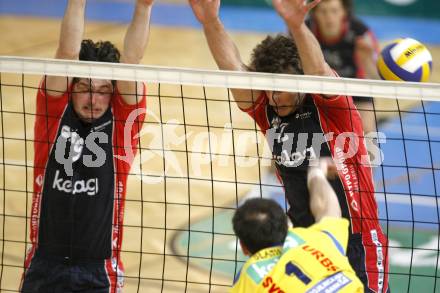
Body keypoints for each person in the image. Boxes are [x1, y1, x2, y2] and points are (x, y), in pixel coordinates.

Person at [189, 0, 389, 291]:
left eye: (281, 89)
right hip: (305, 240)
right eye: (269, 88)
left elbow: (319, 71)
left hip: (358, 237)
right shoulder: (266, 109)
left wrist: (296, 25)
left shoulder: (333, 108)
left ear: (300, 82)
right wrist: (210, 22)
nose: (273, 97)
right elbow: (232, 68)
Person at [21, 0, 153, 292]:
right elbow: (67, 53)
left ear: (113, 92)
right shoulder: (52, 114)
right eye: (84, 88)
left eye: (104, 90)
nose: (93, 99)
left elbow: (131, 63)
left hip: (99, 270)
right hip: (44, 263)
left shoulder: (122, 127)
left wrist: (144, 6)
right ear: (71, 88)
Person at [231, 160, 364, 292]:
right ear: (288, 225)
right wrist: (316, 172)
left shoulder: (248, 278)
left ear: (244, 247)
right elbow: (327, 208)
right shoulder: (315, 240)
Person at [306, 0, 379, 135]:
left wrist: (367, 60)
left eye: (334, 11)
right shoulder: (304, 31)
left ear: (344, 12)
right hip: (318, 90)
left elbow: (376, 77)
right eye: (323, 11)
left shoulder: (360, 32)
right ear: (314, 13)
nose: (329, 17)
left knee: (368, 134)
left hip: (356, 89)